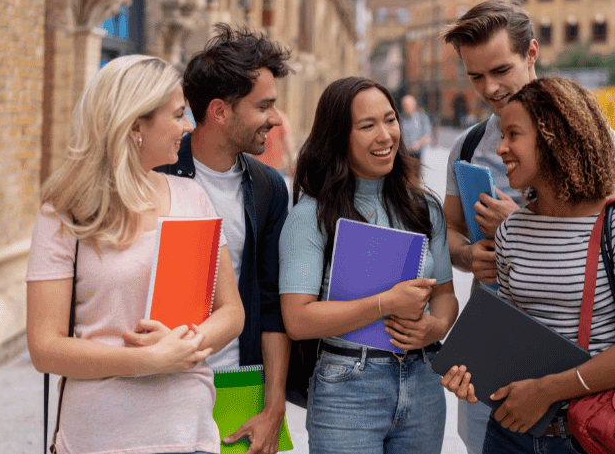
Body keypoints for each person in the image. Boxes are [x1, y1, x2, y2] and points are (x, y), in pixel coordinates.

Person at [440, 0, 615, 452]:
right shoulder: (468, 146)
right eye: (475, 76)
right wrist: (467, 256)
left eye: (500, 70)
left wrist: (526, 229)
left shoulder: (592, 138)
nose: (490, 88)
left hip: (580, 356)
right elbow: (449, 234)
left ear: (531, 53)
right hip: (495, 342)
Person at [26, 54, 245, 454]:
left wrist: (187, 342)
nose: (189, 126)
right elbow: (44, 347)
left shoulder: (191, 198)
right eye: (178, 115)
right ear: (135, 126)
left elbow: (231, 312)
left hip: (188, 431)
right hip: (99, 438)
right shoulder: (65, 213)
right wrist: (150, 360)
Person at [279, 76, 459, 453]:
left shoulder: (424, 209)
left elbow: (445, 295)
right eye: (367, 126)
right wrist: (384, 304)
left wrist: (434, 327)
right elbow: (297, 320)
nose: (385, 135)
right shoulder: (311, 216)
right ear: (338, 136)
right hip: (347, 388)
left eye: (390, 120)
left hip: (423, 382)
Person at [155, 24, 292, 454]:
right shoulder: (154, 175)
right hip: (157, 382)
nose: (275, 118)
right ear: (219, 111)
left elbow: (272, 303)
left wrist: (273, 407)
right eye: (264, 106)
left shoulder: (269, 187)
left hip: (237, 384)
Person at [400, 94, 433, 163]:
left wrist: (418, 143)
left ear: (414, 105)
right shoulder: (399, 118)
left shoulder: (421, 117)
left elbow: (428, 135)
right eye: (404, 105)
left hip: (417, 154)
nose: (406, 107)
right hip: (403, 154)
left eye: (408, 105)